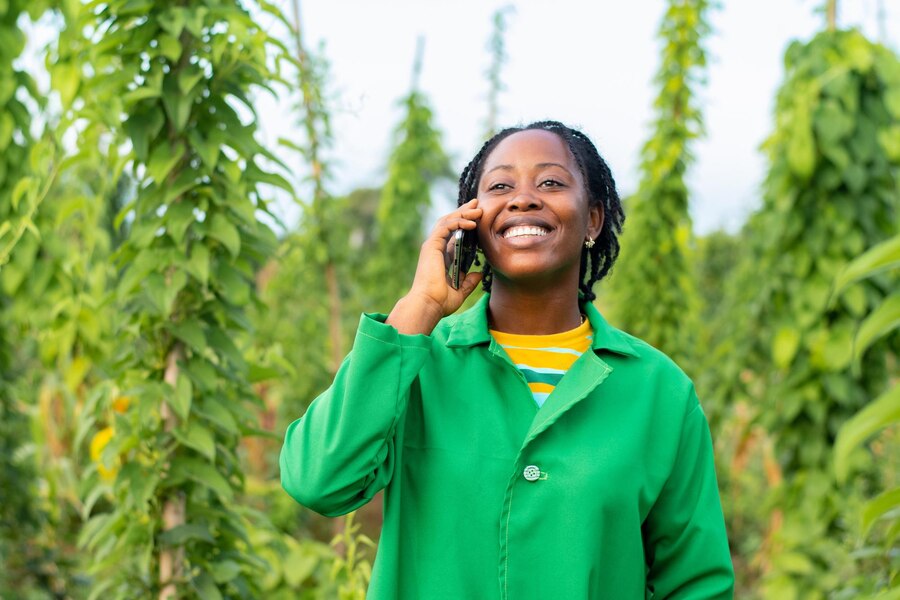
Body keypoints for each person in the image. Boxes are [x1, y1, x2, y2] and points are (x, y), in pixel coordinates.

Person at [280, 120, 734, 599]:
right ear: (470, 220)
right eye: (500, 186)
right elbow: (318, 480)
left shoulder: (659, 390)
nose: (523, 198)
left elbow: (694, 584)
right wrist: (420, 307)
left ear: (594, 220)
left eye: (551, 182)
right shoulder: (418, 365)